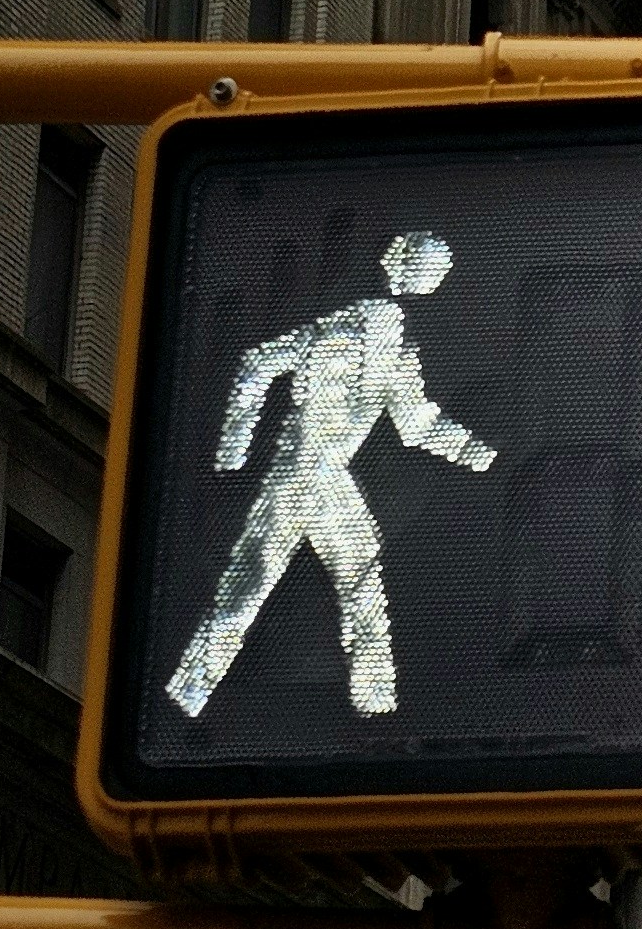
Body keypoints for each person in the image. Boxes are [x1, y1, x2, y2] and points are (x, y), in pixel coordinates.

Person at [165, 229, 496, 720]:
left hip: (325, 480)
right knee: (259, 588)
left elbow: (415, 423)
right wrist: (233, 450)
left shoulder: (392, 347)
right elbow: (257, 364)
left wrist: (478, 454)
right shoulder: (342, 331)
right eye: (430, 268)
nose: (434, 278)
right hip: (301, 474)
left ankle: (374, 705)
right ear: (402, 267)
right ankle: (191, 695)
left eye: (438, 272)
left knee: (343, 585)